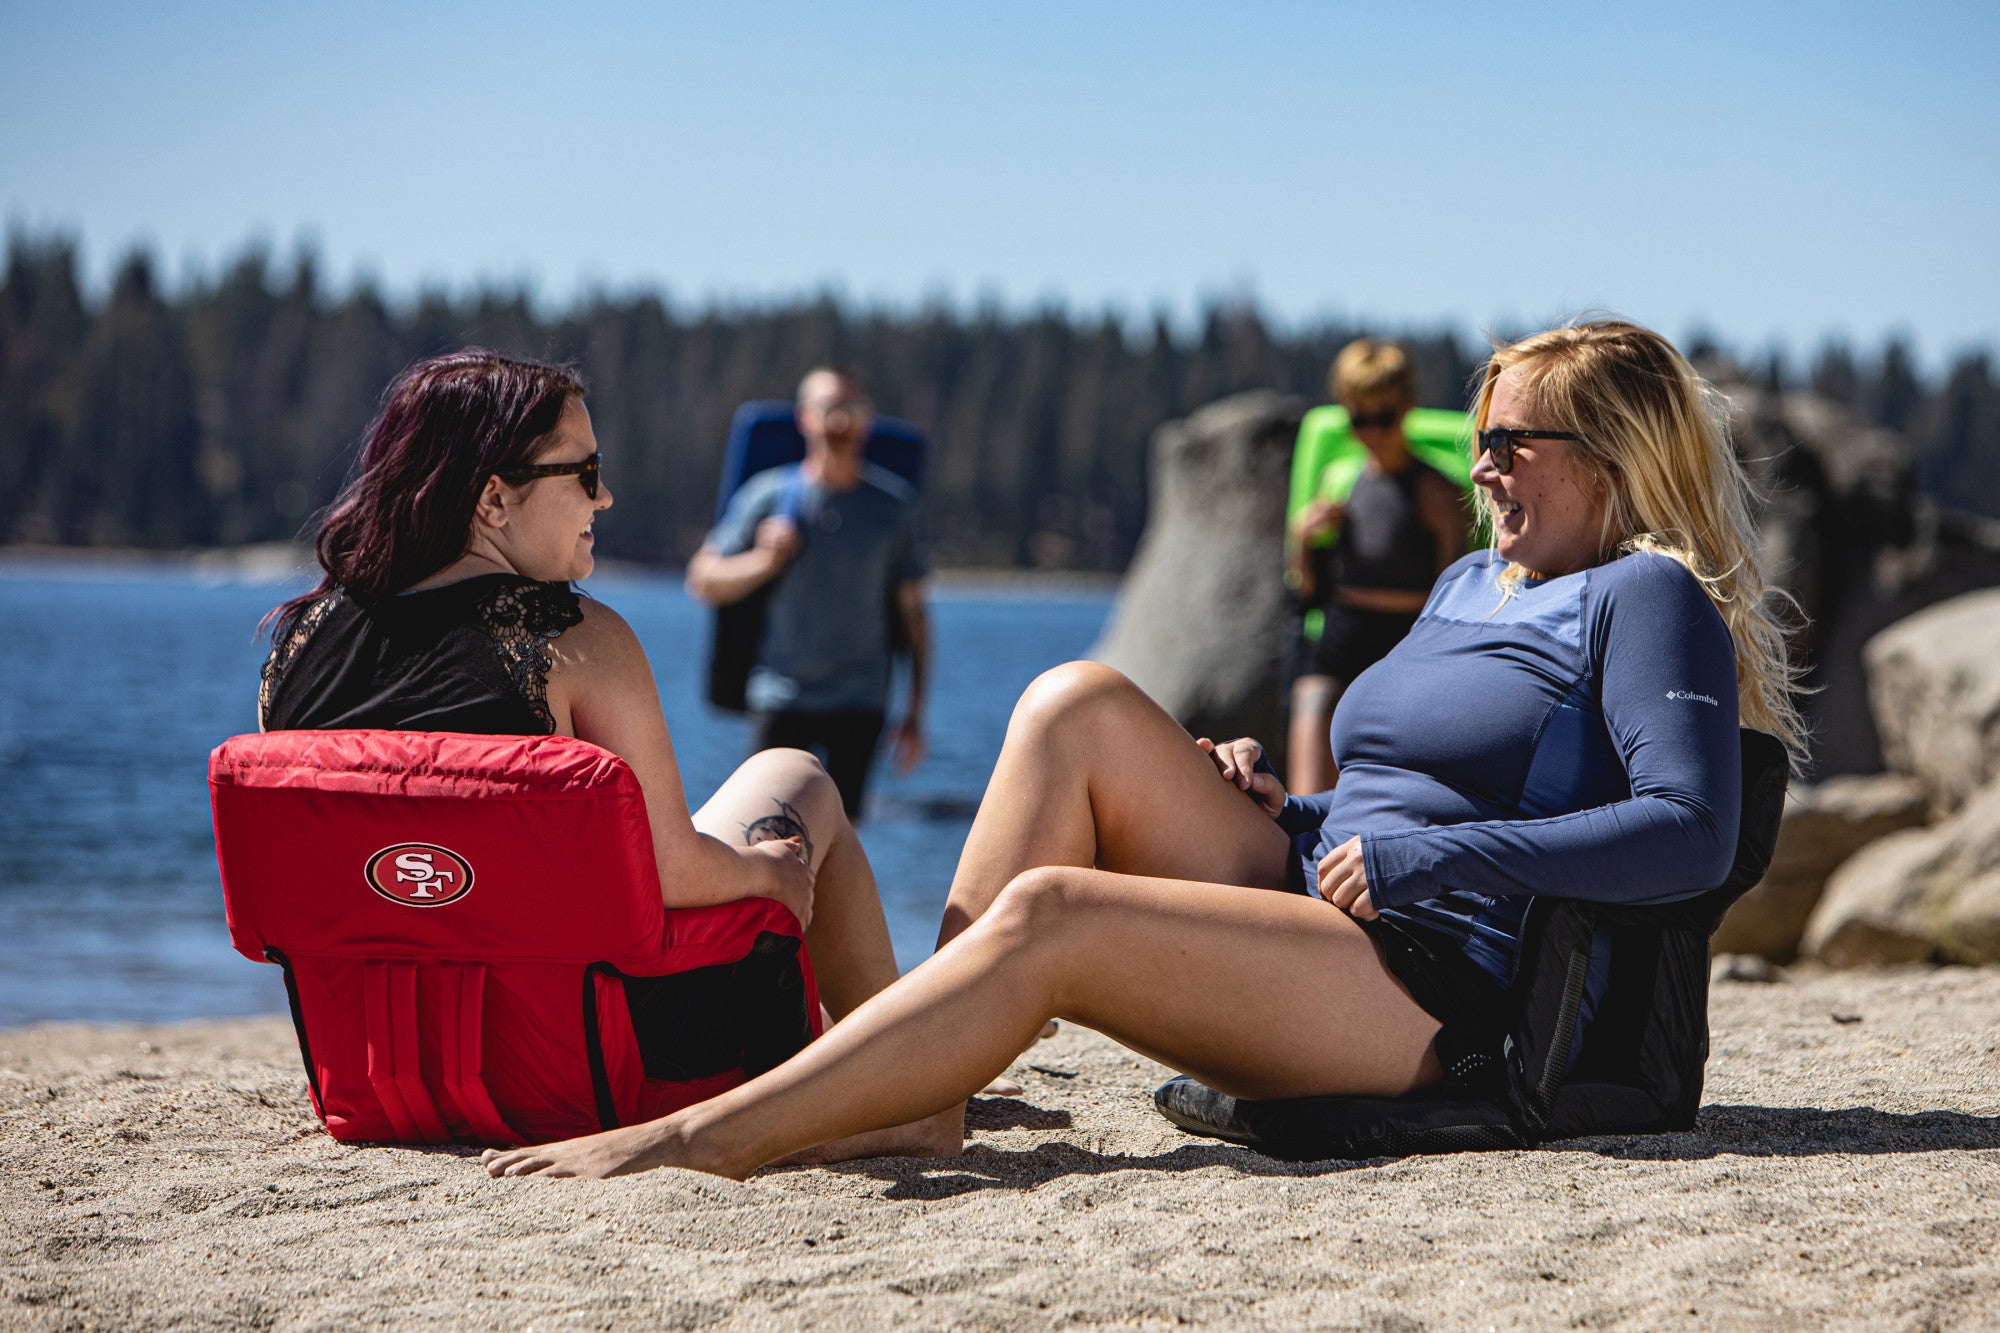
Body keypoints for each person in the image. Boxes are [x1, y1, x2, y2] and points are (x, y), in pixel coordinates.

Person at [481, 319, 1806, 1181]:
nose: (1483, 466)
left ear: (1615, 458)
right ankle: (916, 1084)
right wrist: (1289, 802)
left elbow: (1687, 832)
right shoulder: (1476, 586)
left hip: (1440, 984)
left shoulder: (1646, 599)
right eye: (1484, 439)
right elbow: (1414, 783)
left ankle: (700, 1135)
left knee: (1053, 913)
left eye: (1512, 441)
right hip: (1321, 883)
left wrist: (1434, 854)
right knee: (1073, 700)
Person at [259, 349, 960, 1162]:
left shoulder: (297, 644)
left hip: (383, 1078)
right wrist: (773, 873)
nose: (606, 495)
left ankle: (876, 1051)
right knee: (797, 777)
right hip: (595, 1073)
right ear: (494, 498)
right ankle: (909, 1080)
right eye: (583, 472)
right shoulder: (577, 639)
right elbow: (676, 876)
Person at [685, 367, 930, 820]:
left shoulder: (893, 509)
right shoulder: (770, 496)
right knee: (764, 831)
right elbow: (703, 579)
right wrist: (764, 561)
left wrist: (915, 712)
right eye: (829, 410)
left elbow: (914, 615)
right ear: (805, 418)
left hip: (861, 701)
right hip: (781, 697)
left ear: (868, 419)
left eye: (851, 410)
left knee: (841, 837)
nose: (840, 423)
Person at [1286, 339, 1469, 793]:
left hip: (1407, 630)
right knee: (1312, 703)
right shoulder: (1342, 482)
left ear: (1407, 408)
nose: (1372, 432)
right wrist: (1302, 541)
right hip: (1344, 628)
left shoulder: (1437, 493)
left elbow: (1452, 586)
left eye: (1383, 417)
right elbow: (1305, 590)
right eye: (1358, 418)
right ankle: (1303, 835)